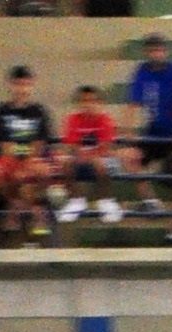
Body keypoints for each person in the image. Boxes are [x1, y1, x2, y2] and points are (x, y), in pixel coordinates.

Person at [0, 65, 58, 243]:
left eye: (26, 84)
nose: (22, 89)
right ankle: (17, 204)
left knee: (43, 171)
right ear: (10, 85)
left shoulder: (39, 112)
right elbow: (4, 145)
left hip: (33, 159)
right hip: (8, 158)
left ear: (32, 85)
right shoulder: (2, 111)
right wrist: (17, 164)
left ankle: (32, 207)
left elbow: (39, 144)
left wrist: (26, 163)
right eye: (18, 84)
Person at [126, 33, 172, 224]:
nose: (156, 54)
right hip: (153, 130)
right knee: (131, 158)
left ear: (165, 51)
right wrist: (128, 133)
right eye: (153, 50)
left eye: (160, 50)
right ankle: (151, 202)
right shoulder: (142, 70)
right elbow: (133, 104)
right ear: (147, 52)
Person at [58, 84, 123, 228]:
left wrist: (88, 155)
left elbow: (105, 148)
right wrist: (80, 154)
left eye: (93, 101)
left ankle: (105, 201)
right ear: (79, 103)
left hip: (103, 161)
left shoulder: (106, 120)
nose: (88, 105)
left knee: (99, 162)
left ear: (100, 103)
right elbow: (72, 146)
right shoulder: (73, 119)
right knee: (64, 162)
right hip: (81, 159)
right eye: (84, 101)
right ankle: (76, 201)